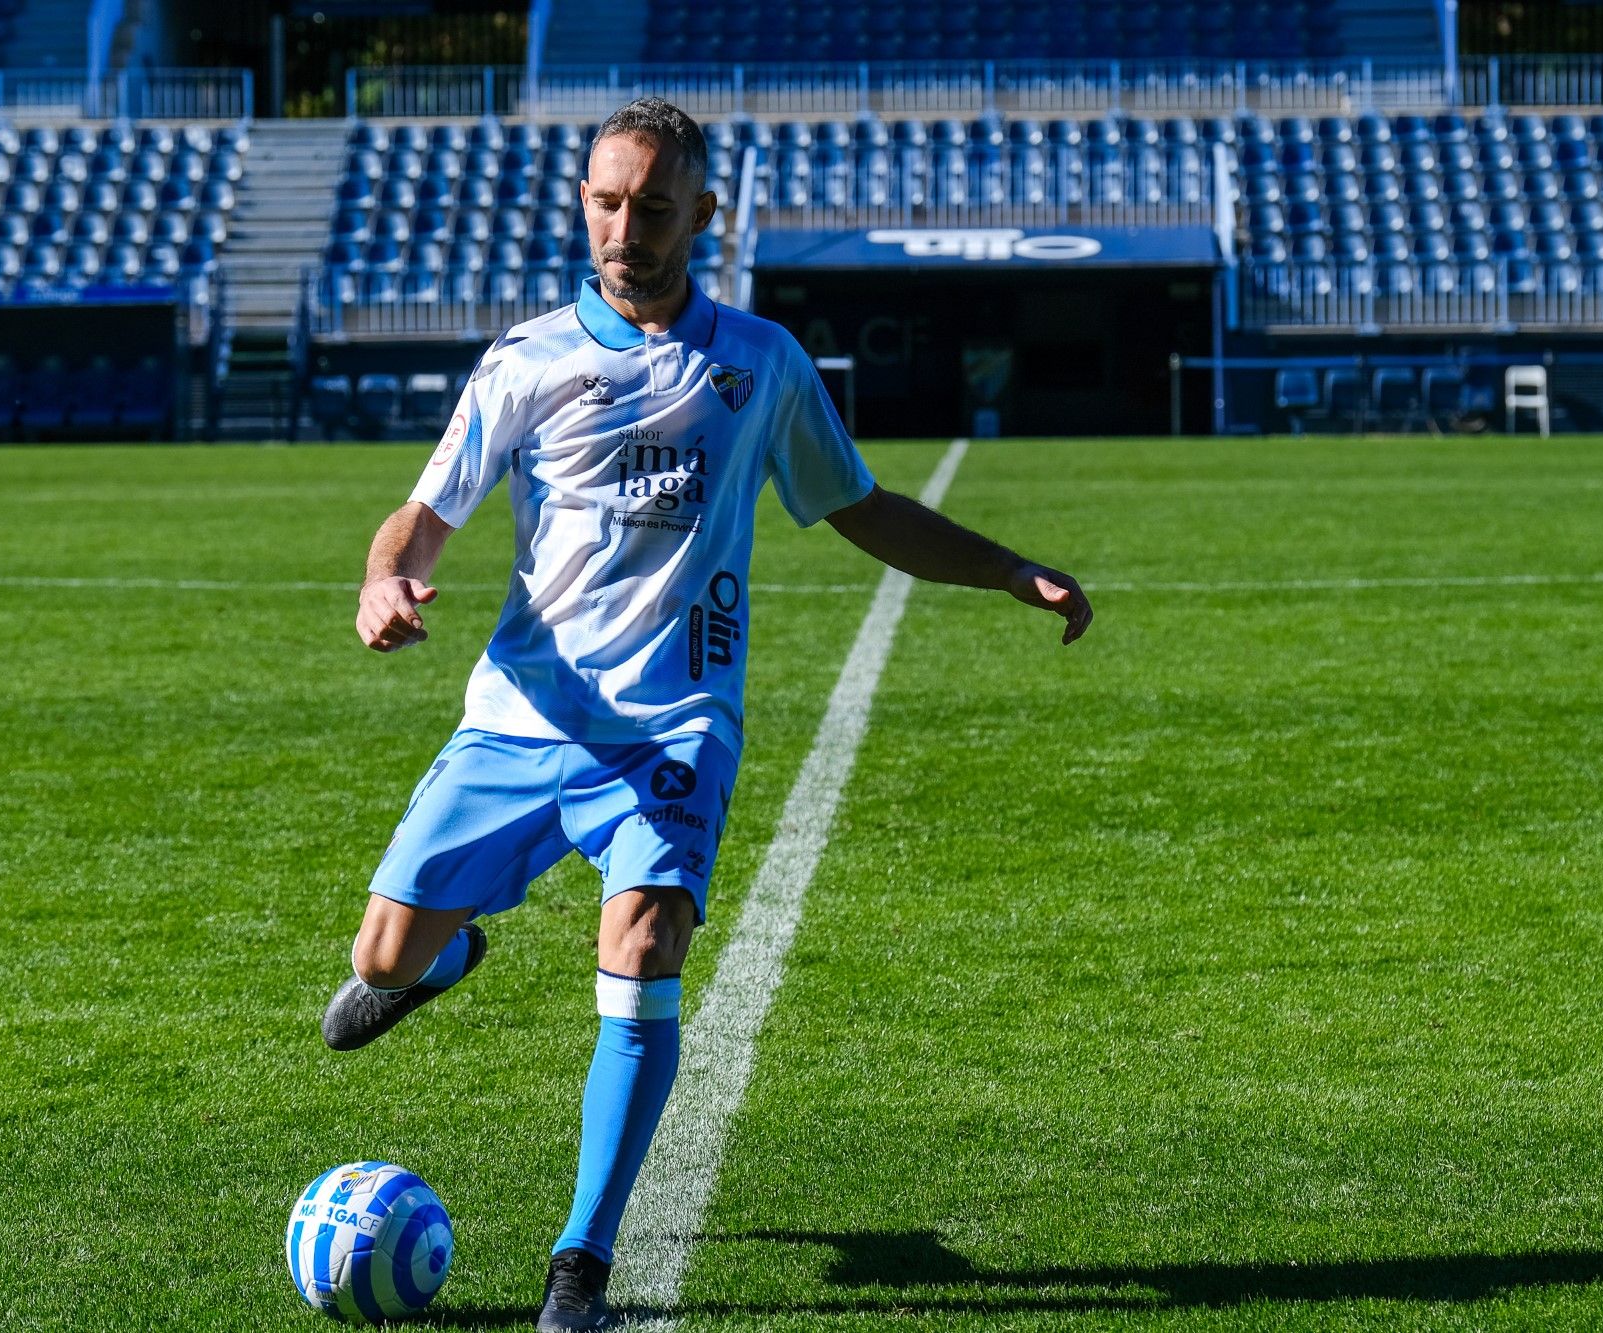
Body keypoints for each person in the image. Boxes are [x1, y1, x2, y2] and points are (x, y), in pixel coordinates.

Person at [320, 97, 1093, 1332]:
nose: (625, 228)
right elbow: (423, 513)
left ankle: (581, 1259)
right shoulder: (525, 360)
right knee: (379, 958)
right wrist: (384, 576)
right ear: (584, 200)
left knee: (641, 949)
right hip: (524, 716)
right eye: (606, 202)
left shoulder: (760, 363)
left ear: (704, 217)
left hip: (676, 724)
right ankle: (446, 956)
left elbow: (858, 504)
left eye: (654, 207)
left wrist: (1006, 569)